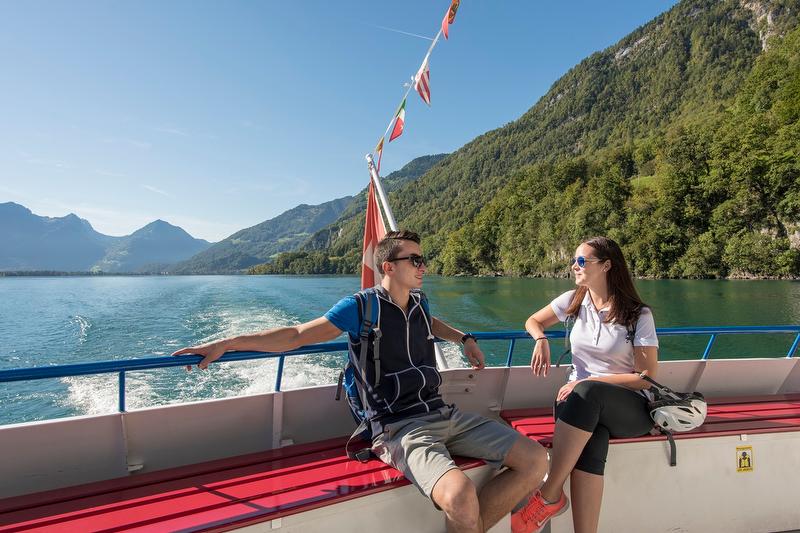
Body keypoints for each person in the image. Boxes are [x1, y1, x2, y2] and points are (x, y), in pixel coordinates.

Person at [173, 230, 547, 533]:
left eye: (423, 259)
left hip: (443, 413)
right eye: (414, 260)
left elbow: (429, 324)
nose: (423, 266)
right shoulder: (360, 307)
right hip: (398, 427)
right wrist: (229, 343)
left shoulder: (419, 302)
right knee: (461, 496)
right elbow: (297, 335)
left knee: (535, 459)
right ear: (388, 266)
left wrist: (464, 339)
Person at [519, 236, 659, 533]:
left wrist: (591, 379)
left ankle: (549, 495)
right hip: (578, 405)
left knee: (587, 391)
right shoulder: (574, 300)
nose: (574, 266)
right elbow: (533, 320)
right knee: (592, 441)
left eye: (582, 261)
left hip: (628, 406)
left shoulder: (637, 315)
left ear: (606, 266)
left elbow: (645, 376)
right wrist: (541, 339)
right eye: (575, 260)